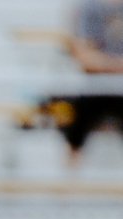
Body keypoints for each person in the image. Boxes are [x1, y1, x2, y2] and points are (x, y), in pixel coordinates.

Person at [43, 1, 123, 159]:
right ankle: (70, 181)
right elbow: (84, 57)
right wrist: (115, 65)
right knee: (74, 125)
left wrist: (102, 63)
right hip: (93, 88)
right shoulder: (89, 8)